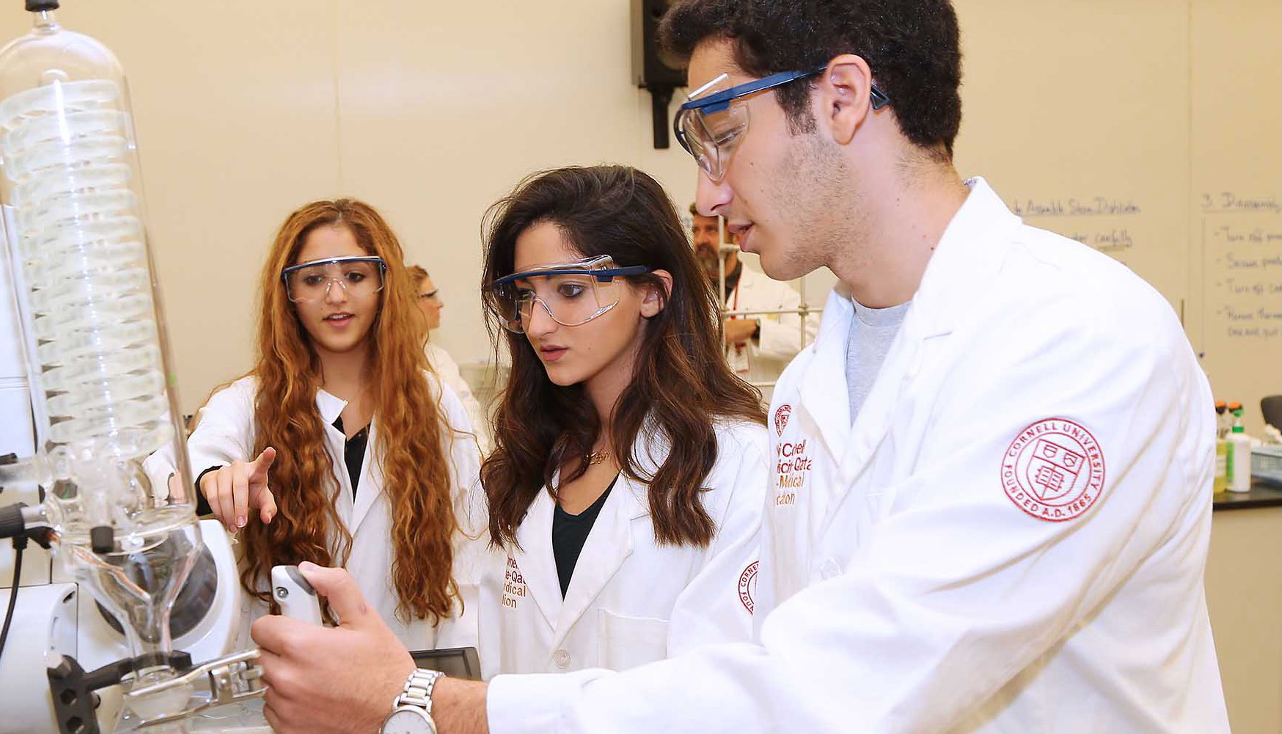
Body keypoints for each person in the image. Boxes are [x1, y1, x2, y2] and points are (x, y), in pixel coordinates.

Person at [250, 1, 1228, 731]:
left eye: (720, 134)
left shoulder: (1073, 340)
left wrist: (423, 702)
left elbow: (843, 692)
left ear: (842, 98)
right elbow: (751, 662)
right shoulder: (810, 388)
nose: (707, 193)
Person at [473, 166, 769, 678]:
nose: (537, 324)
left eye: (570, 290)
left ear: (652, 292)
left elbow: (726, 688)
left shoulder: (738, 463)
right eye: (525, 296)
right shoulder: (523, 461)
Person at [185, 198, 484, 651]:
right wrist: (215, 479)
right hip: (291, 672)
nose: (336, 296)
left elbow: (471, 556)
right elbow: (188, 460)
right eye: (314, 279)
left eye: (355, 276)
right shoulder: (251, 402)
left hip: (409, 666)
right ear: (287, 293)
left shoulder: (434, 400)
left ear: (384, 284)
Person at [690, 203, 817, 390]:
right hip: (703, 404)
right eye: (695, 231)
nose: (700, 240)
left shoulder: (773, 290)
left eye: (711, 230)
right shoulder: (684, 294)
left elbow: (812, 339)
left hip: (760, 404)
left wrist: (756, 329)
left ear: (735, 237)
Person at [408, 264, 491, 451]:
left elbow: (468, 409)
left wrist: (480, 454)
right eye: (430, 295)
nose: (440, 304)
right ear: (407, 303)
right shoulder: (391, 364)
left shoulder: (440, 357)